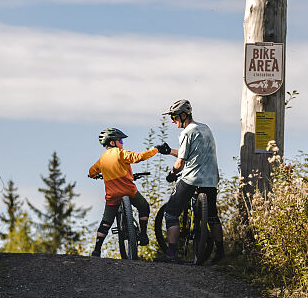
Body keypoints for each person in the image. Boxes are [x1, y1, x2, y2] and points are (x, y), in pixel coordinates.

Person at [156, 99, 224, 264]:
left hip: (191, 178)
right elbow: (192, 152)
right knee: (212, 216)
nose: (173, 121)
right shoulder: (205, 128)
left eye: (174, 117)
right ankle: (220, 251)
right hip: (211, 179)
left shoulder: (186, 132)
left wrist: (172, 173)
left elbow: (181, 163)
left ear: (183, 115)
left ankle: (171, 254)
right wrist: (170, 151)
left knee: (171, 213)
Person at [87, 127, 170, 257]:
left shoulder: (102, 159)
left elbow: (92, 172)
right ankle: (143, 234)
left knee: (106, 221)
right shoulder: (120, 153)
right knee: (144, 206)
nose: (122, 143)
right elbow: (139, 157)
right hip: (128, 191)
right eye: (120, 140)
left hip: (112, 195)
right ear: (113, 142)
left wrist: (95, 175)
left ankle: (97, 250)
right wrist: (156, 149)